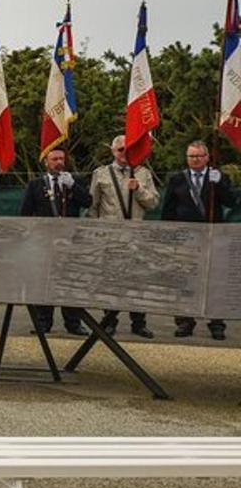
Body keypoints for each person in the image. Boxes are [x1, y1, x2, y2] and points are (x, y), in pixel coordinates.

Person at [87, 134, 160, 338]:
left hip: (136, 236)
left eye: (128, 149)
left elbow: (154, 203)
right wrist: (96, 234)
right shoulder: (100, 174)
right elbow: (93, 206)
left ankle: (138, 323)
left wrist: (139, 190)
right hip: (110, 237)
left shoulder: (143, 173)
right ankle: (109, 321)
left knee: (137, 281)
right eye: (120, 150)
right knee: (110, 281)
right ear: (113, 151)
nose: (124, 154)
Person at [165, 140, 235, 340]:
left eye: (198, 156)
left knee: (214, 282)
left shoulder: (218, 177)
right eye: (191, 156)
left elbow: (232, 201)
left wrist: (219, 183)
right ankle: (185, 321)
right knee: (186, 282)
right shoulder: (177, 179)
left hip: (214, 237)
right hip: (186, 238)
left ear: (206, 157)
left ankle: (216, 323)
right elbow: (168, 210)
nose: (195, 160)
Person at [20, 147, 91, 335]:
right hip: (44, 243)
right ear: (46, 162)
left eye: (61, 158)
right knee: (44, 282)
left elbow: (88, 202)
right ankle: (43, 322)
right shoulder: (35, 185)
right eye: (54, 159)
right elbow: (25, 214)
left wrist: (73, 187)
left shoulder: (74, 181)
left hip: (70, 242)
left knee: (70, 282)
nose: (59, 162)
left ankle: (73, 323)